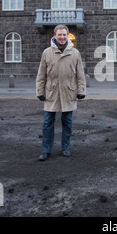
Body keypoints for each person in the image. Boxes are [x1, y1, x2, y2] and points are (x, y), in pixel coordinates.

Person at [36, 25, 86, 161]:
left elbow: (80, 75)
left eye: (64, 35)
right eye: (59, 35)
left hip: (68, 93)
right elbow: (41, 74)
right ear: (55, 35)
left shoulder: (75, 53)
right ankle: (46, 150)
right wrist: (40, 91)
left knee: (67, 122)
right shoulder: (47, 53)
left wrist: (81, 90)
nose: (62, 37)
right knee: (47, 123)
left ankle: (65, 148)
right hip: (51, 93)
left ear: (67, 35)